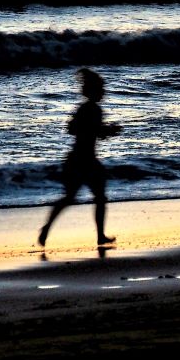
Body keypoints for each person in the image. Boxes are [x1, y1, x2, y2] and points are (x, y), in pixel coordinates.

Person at [38, 68, 121, 247]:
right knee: (98, 198)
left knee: (71, 198)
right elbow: (95, 132)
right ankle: (99, 235)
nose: (104, 92)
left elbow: (73, 129)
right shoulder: (94, 110)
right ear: (94, 91)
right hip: (86, 160)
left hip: (76, 159)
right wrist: (110, 130)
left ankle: (47, 228)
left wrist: (103, 131)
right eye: (101, 89)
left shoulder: (82, 109)